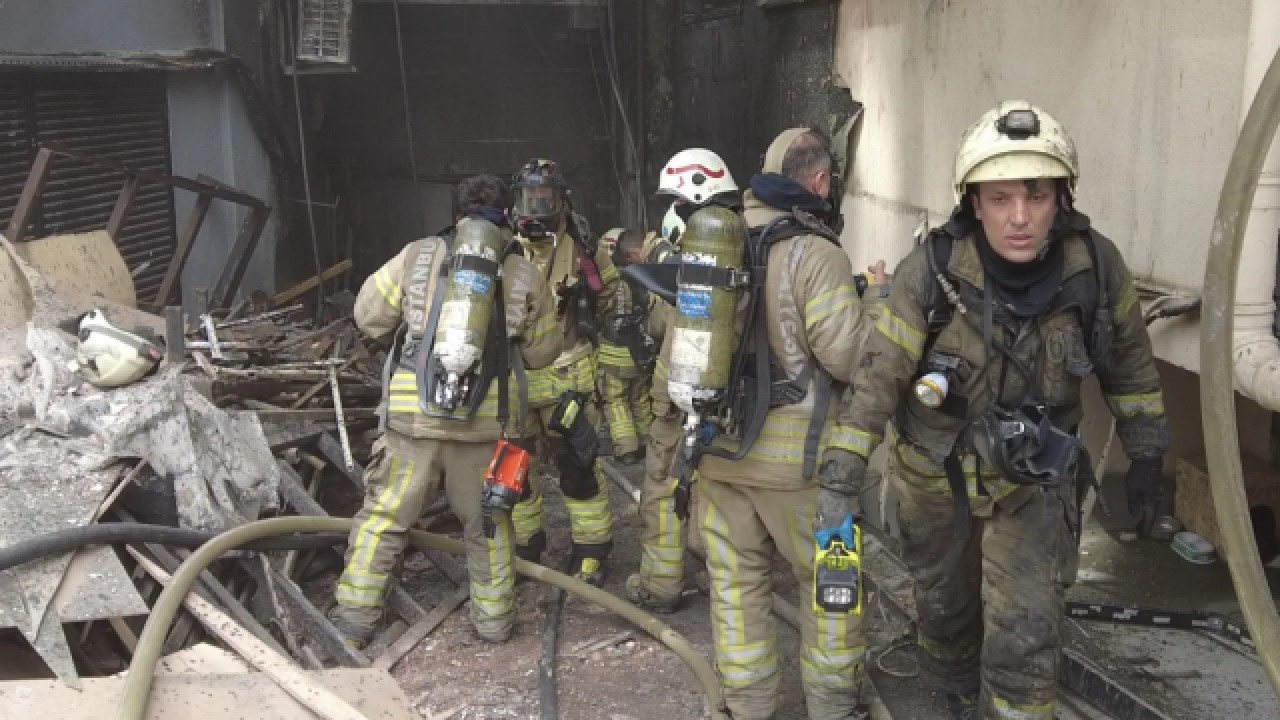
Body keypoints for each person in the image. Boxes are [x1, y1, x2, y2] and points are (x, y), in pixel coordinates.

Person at [829, 101, 1169, 719]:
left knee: (1026, 635)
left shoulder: (1095, 268)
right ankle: (953, 696)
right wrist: (841, 471)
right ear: (974, 202)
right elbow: (877, 376)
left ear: (1061, 199)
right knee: (945, 615)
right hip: (936, 479)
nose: (1019, 217)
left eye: (1036, 196)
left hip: (1034, 481)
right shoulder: (929, 273)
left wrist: (1147, 454)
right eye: (1000, 197)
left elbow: (1130, 364)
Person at [687, 129, 874, 719]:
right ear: (818, 182)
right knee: (831, 587)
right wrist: (875, 308)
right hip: (803, 472)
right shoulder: (815, 252)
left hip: (718, 455)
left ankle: (748, 705)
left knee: (736, 587)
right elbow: (847, 357)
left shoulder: (715, 241)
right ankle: (833, 704)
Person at [331, 174, 561, 647]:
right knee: (490, 524)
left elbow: (369, 317)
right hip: (485, 429)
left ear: (455, 215)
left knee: (384, 519)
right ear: (507, 216)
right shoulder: (523, 271)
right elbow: (543, 353)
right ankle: (494, 621)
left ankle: (353, 622)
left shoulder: (415, 256)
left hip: (412, 421)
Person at [624, 150, 742, 614]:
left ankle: (660, 585)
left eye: (676, 200)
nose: (673, 208)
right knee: (721, 490)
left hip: (677, 394)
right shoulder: (748, 243)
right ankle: (718, 577)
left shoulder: (692, 258)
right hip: (732, 399)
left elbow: (659, 328)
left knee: (663, 485)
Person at [508, 158, 620, 586]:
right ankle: (525, 547)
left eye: (545, 199)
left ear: (562, 200)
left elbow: (609, 296)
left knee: (579, 470)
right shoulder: (503, 247)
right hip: (516, 385)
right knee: (515, 472)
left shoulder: (583, 249)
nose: (536, 209)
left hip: (567, 382)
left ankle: (592, 552)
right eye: (529, 199)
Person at [596, 227, 674, 466]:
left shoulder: (608, 283)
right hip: (639, 352)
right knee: (640, 399)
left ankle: (627, 449)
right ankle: (648, 444)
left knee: (616, 401)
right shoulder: (641, 278)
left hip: (612, 352)